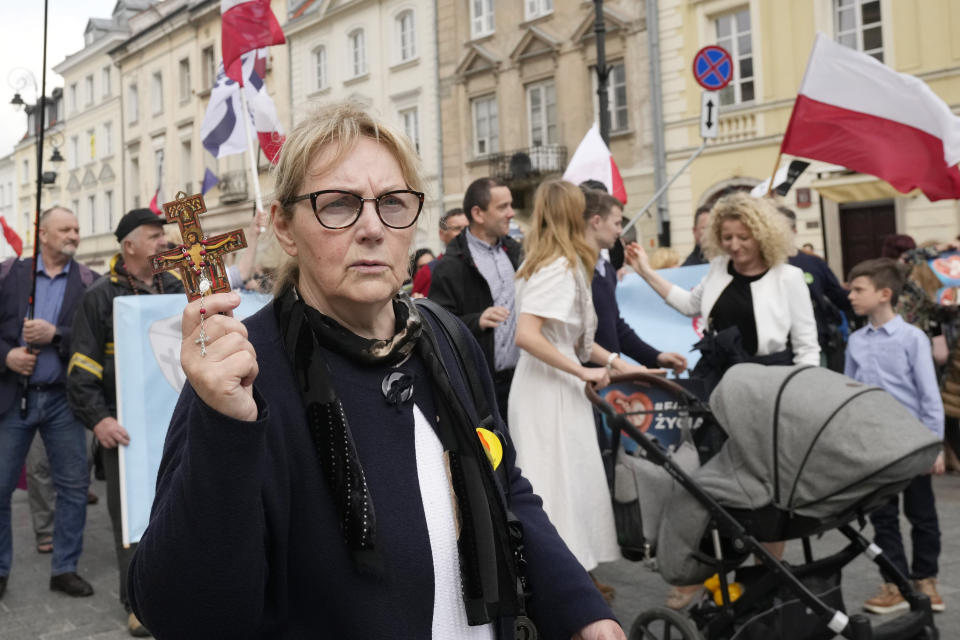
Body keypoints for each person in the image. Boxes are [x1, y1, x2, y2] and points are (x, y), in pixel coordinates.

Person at [127, 103, 625, 640]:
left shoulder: (446, 337)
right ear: (285, 228)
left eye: (392, 202)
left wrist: (580, 607)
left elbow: (505, 488)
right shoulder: (245, 371)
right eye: (337, 205)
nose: (372, 228)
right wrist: (225, 429)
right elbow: (181, 612)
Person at [509, 180, 647, 603]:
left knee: (573, 486)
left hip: (559, 387)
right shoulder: (556, 267)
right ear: (574, 215)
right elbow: (527, 335)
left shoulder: (560, 263)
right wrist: (581, 372)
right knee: (554, 487)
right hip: (546, 391)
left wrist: (611, 362)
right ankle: (558, 586)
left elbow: (574, 339)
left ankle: (572, 579)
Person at [67, 209, 184, 637]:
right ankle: (138, 602)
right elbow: (81, 368)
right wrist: (99, 420)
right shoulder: (100, 296)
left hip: (177, 421)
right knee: (134, 518)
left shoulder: (176, 287)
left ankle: (184, 589)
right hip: (127, 430)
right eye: (155, 237)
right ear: (129, 244)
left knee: (181, 508)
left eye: (164, 235)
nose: (164, 242)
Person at [627, 192, 819, 394]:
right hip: (720, 378)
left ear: (762, 236)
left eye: (743, 237)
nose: (735, 245)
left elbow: (806, 345)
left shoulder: (788, 277)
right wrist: (645, 272)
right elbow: (688, 304)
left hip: (772, 381)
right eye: (727, 238)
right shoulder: (718, 269)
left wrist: (803, 390)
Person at [0, 206, 98, 600]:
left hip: (62, 401)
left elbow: (94, 338)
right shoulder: (11, 274)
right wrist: (7, 356)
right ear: (42, 233)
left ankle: (65, 568)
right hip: (14, 399)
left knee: (74, 488)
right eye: (66, 229)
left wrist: (55, 333)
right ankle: (1, 569)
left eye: (76, 228)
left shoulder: (89, 281)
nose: (74, 234)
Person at [845, 258, 946, 614]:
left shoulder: (912, 338)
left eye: (858, 290)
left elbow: (928, 395)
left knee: (922, 514)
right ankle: (895, 583)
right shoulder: (855, 341)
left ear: (884, 294)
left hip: (911, 441)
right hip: (874, 445)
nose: (851, 297)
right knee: (882, 516)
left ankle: (926, 580)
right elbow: (850, 395)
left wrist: (935, 445)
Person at [430, 178, 523, 423]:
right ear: (478, 214)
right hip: (481, 389)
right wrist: (477, 320)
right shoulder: (450, 266)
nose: (511, 213)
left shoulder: (516, 253)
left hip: (524, 380)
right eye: (503, 207)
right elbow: (437, 327)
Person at [583, 188, 687, 375]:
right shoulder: (574, 269)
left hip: (609, 380)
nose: (620, 231)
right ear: (597, 222)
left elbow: (615, 327)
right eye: (616, 223)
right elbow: (575, 339)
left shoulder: (606, 270)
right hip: (583, 378)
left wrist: (656, 357)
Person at [777, 205, 852, 371]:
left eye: (781, 228)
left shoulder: (814, 263)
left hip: (812, 345)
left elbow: (838, 297)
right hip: (776, 352)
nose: (776, 233)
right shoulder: (760, 266)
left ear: (794, 230)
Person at [411, 207, 468, 297]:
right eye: (457, 228)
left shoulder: (481, 264)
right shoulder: (427, 272)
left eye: (468, 228)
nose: (464, 233)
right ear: (442, 234)